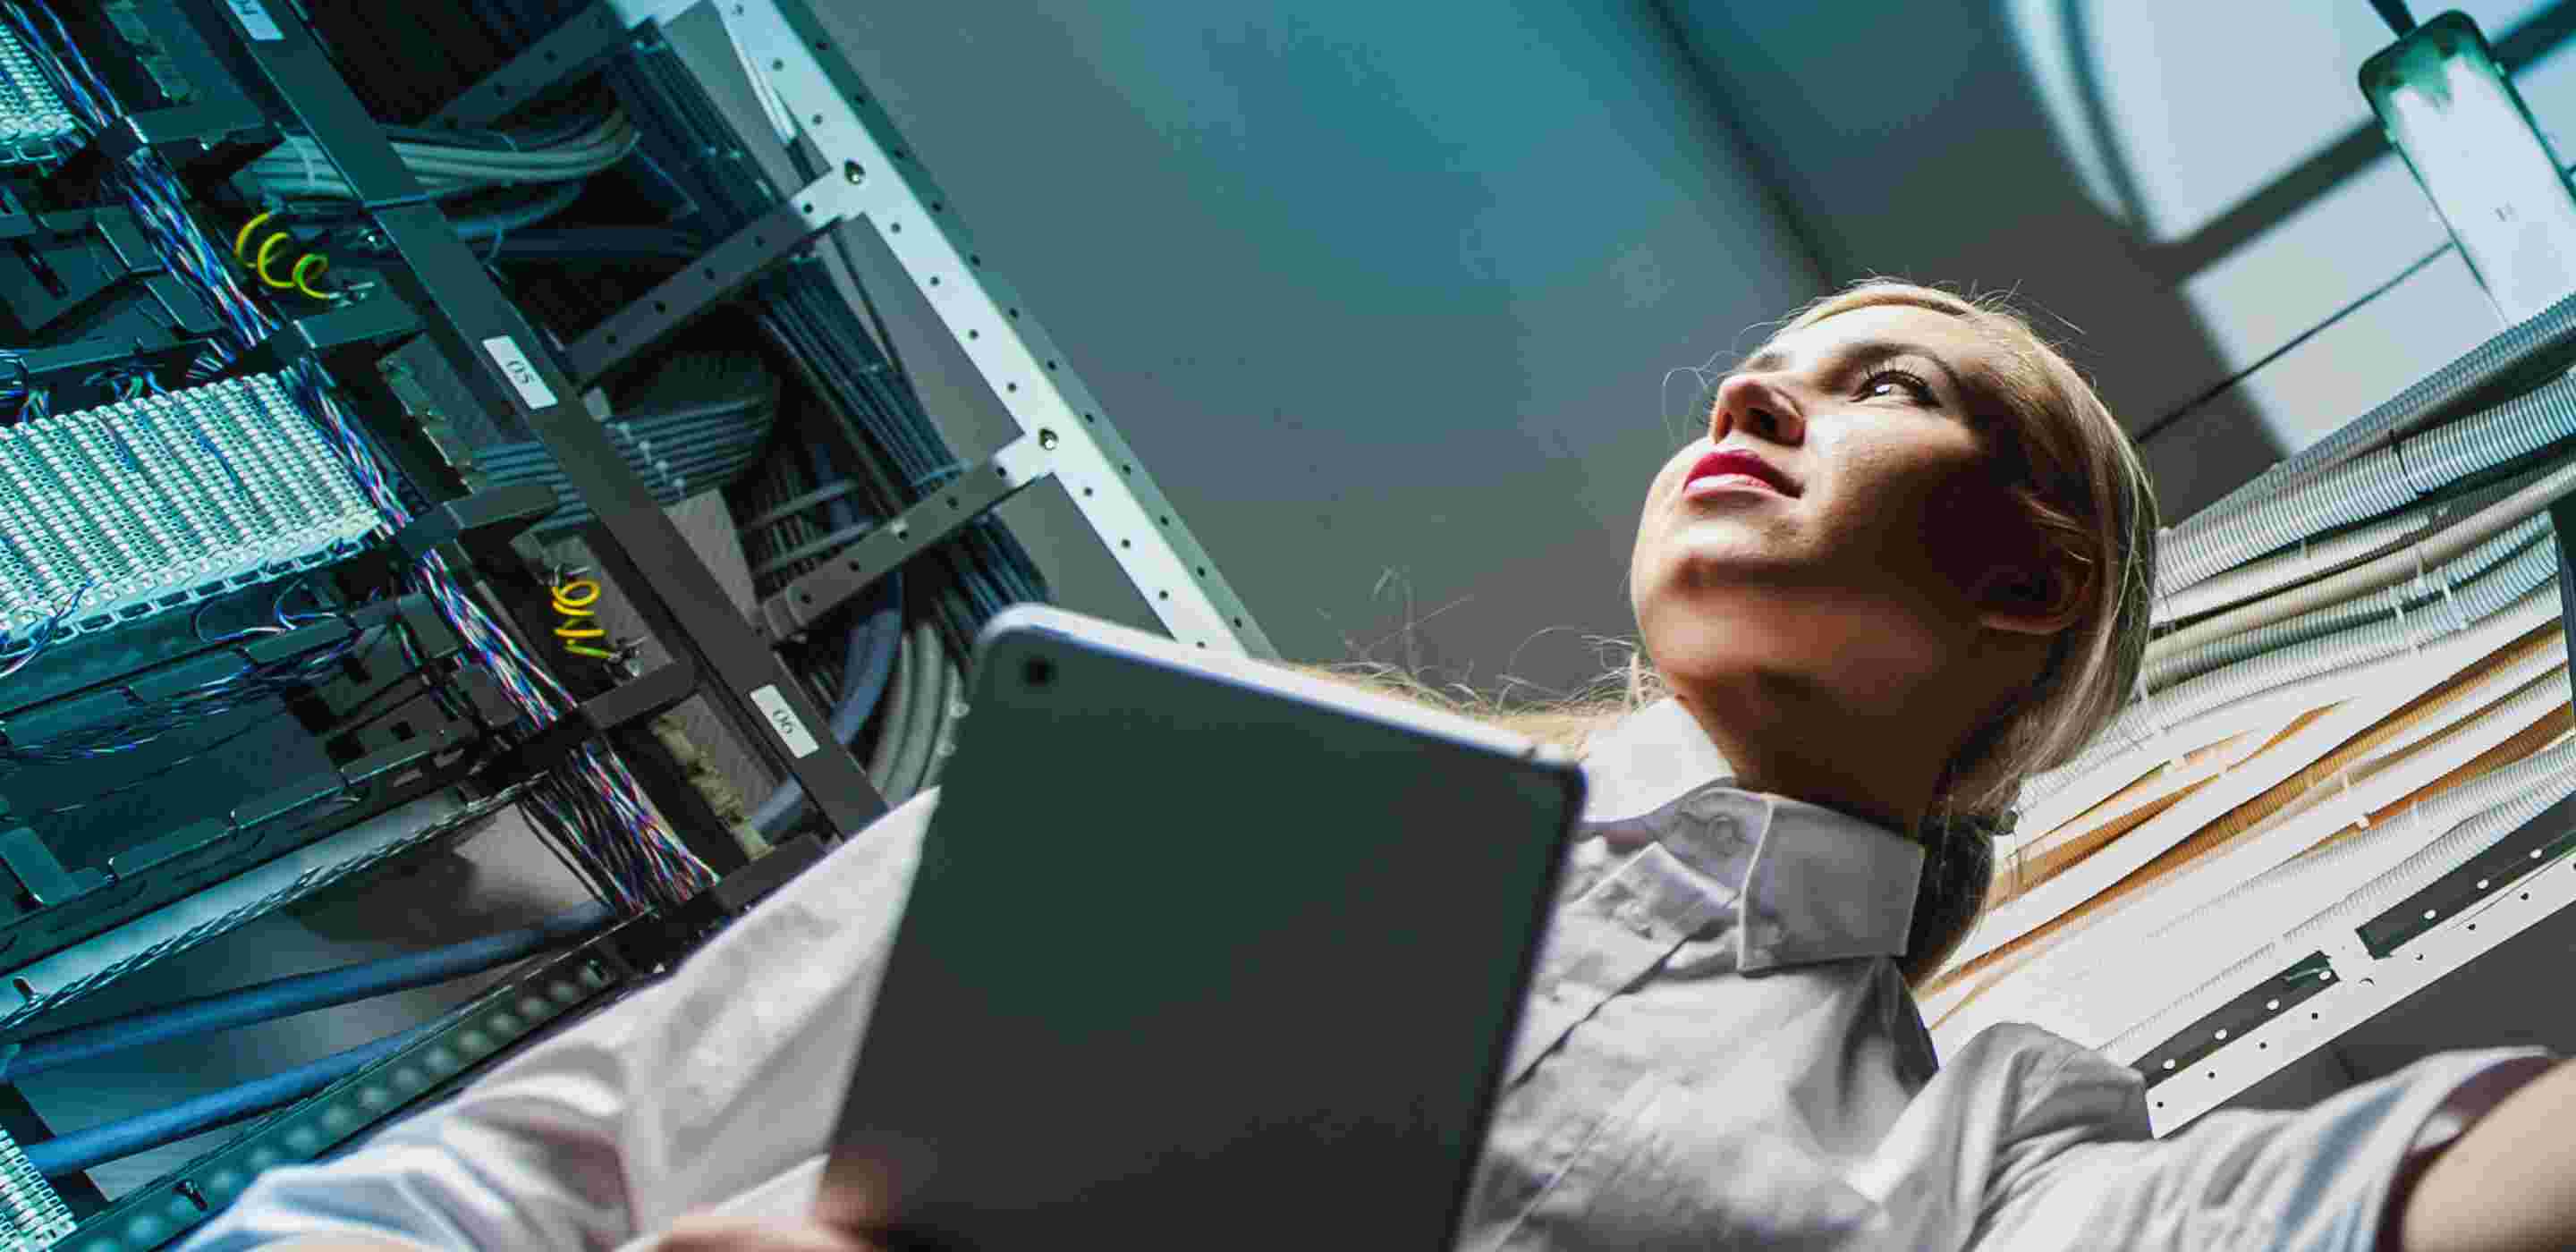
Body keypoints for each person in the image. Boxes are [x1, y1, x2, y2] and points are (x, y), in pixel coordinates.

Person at [183, 281, 2574, 1252]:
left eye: (1887, 389)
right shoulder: (1175, 799)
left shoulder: (1961, 1153)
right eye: (1760, 377)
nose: (1754, 403)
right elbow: (523, 1170)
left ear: (2034, 582)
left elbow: (2334, 1219)